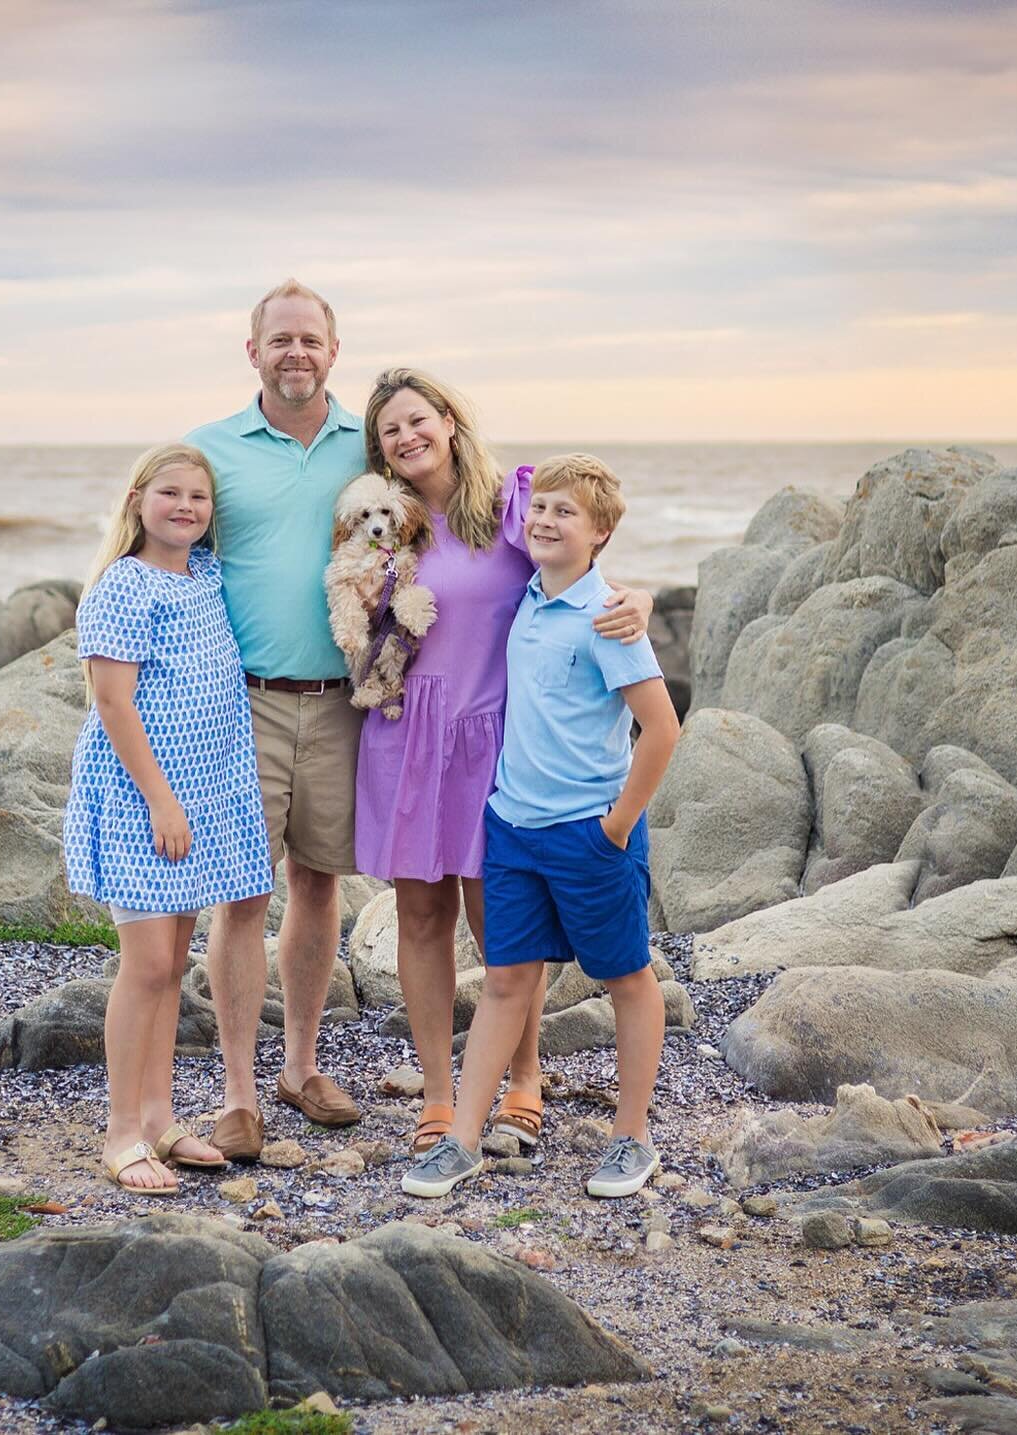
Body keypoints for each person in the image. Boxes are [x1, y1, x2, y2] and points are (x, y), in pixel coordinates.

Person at [356, 370, 654, 1156]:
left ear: (449, 420)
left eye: (417, 419)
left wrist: (640, 603)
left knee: (502, 920)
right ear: (379, 448)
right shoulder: (387, 524)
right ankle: (438, 1091)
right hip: (407, 735)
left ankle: (524, 1076)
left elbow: (580, 569)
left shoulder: (515, 503)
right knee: (421, 916)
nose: (406, 437)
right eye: (390, 430)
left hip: (496, 736)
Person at [401, 452, 680, 1200]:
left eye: (567, 513)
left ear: (601, 533)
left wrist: (617, 826)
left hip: (589, 831)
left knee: (625, 976)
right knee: (505, 980)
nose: (548, 521)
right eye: (542, 508)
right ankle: (461, 1140)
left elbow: (661, 728)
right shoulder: (526, 598)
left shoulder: (609, 618)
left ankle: (632, 1136)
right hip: (513, 827)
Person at [184, 280, 368, 1160]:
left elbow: (451, 520)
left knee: (320, 882)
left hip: (342, 703)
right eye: (280, 339)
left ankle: (301, 1066)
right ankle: (237, 1091)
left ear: (335, 350)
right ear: (251, 350)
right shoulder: (211, 451)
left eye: (311, 339)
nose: (296, 352)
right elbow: (161, 545)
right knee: (241, 892)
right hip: (242, 699)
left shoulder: (368, 444)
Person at [62, 443, 273, 1193]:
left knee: (172, 963)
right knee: (147, 964)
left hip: (202, 794)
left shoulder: (204, 577)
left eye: (200, 497)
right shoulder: (124, 587)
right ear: (137, 502)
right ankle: (121, 1132)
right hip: (142, 796)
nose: (186, 506)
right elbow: (112, 702)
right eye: (170, 493)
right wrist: (160, 798)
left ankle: (159, 1115)